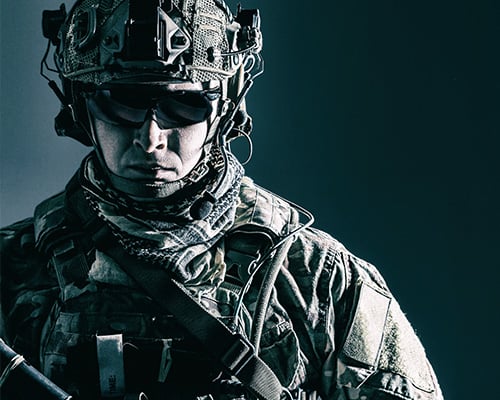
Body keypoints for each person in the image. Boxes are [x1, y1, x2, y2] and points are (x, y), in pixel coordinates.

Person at [0, 1, 444, 399]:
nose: (150, 137)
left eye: (185, 106)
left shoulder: (316, 278)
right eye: (122, 103)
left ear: (224, 108)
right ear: (80, 106)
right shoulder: (12, 271)